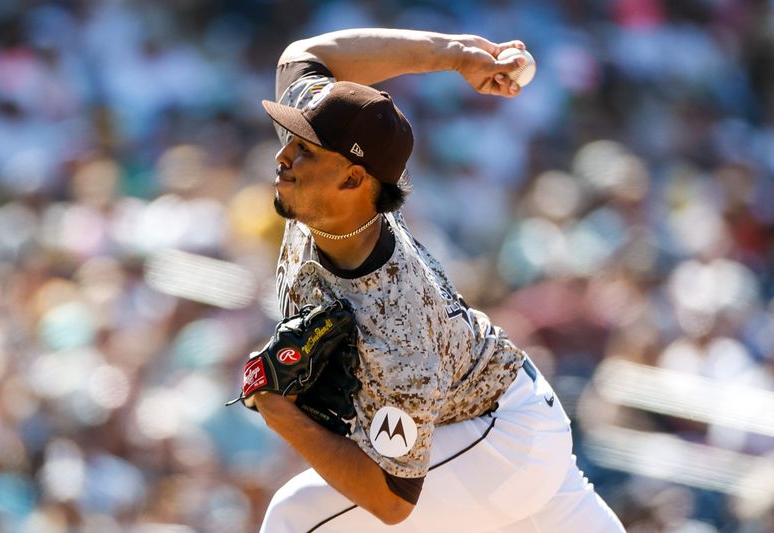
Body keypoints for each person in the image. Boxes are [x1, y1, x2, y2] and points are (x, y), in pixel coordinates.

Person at [246, 28, 626, 532]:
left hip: (493, 442)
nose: (283, 157)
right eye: (291, 142)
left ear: (355, 179)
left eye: (304, 151)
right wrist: (452, 55)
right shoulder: (327, 186)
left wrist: (282, 414)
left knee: (297, 518)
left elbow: (392, 500)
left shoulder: (395, 318)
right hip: (500, 416)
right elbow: (305, 55)